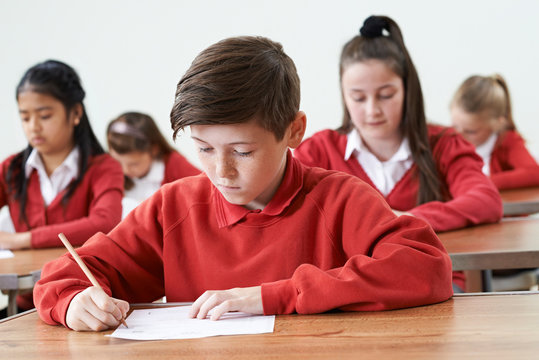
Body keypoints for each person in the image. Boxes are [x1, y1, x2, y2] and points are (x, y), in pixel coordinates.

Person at [34, 36, 452, 332]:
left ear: (294, 131)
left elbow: (427, 267)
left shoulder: (339, 199)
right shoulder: (174, 207)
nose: (221, 172)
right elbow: (63, 276)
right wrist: (73, 304)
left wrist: (273, 296)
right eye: (204, 149)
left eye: (242, 152)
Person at [293, 16, 503, 292]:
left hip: (433, 286)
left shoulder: (443, 143)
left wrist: (405, 218)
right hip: (352, 293)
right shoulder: (318, 151)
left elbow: (485, 200)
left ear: (407, 89)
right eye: (358, 98)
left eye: (386, 95)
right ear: (343, 95)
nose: (372, 110)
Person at [0, 60, 124, 311]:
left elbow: (104, 222)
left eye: (45, 116)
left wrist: (22, 239)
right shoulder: (12, 169)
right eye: (25, 117)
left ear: (76, 113)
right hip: (26, 303)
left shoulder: (103, 167)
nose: (33, 126)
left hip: (82, 301)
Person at [450, 74, 539, 190]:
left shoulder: (507, 141)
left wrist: (481, 182)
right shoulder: (448, 142)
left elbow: (534, 173)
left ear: (497, 124)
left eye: (471, 131)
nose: (459, 135)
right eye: (455, 127)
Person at [107, 112, 199, 217]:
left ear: (154, 149)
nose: (125, 170)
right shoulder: (110, 172)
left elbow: (204, 190)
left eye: (134, 164)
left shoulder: (174, 164)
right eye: (118, 162)